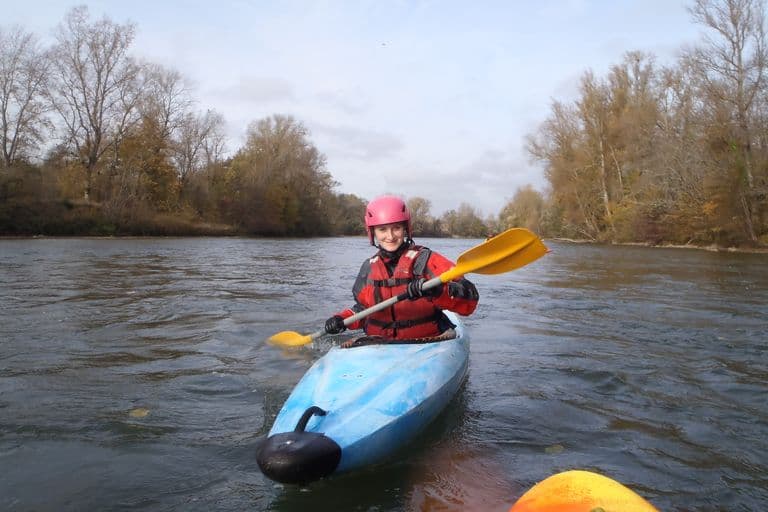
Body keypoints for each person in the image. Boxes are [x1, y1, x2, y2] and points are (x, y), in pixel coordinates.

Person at [324, 195, 479, 345]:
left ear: (405, 229)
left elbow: (469, 302)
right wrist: (341, 319)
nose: (390, 236)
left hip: (428, 342)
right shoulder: (368, 268)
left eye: (396, 228)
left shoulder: (427, 260)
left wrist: (437, 291)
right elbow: (363, 310)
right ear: (373, 232)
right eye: (382, 229)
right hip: (379, 345)